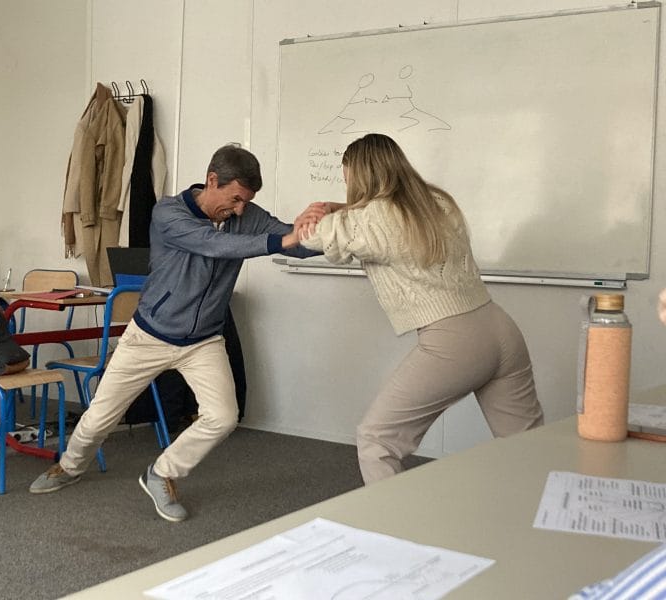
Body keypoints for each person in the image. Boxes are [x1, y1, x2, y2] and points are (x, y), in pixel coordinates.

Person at [30, 144, 325, 521]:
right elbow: (212, 245)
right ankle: (69, 467)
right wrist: (281, 241)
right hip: (149, 335)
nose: (239, 210)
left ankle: (161, 473)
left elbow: (295, 242)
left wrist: (332, 226)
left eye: (245, 203)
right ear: (212, 181)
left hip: (203, 341)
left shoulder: (247, 216)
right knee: (99, 418)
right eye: (235, 199)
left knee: (223, 417)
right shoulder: (168, 212)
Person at [298, 133, 543, 484]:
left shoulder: (371, 219)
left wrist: (314, 215)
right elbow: (377, 219)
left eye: (347, 176)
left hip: (455, 342)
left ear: (359, 175)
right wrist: (343, 207)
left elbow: (313, 237)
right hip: (500, 328)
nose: (346, 183)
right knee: (528, 449)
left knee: (376, 439)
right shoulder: (436, 204)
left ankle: (392, 533)